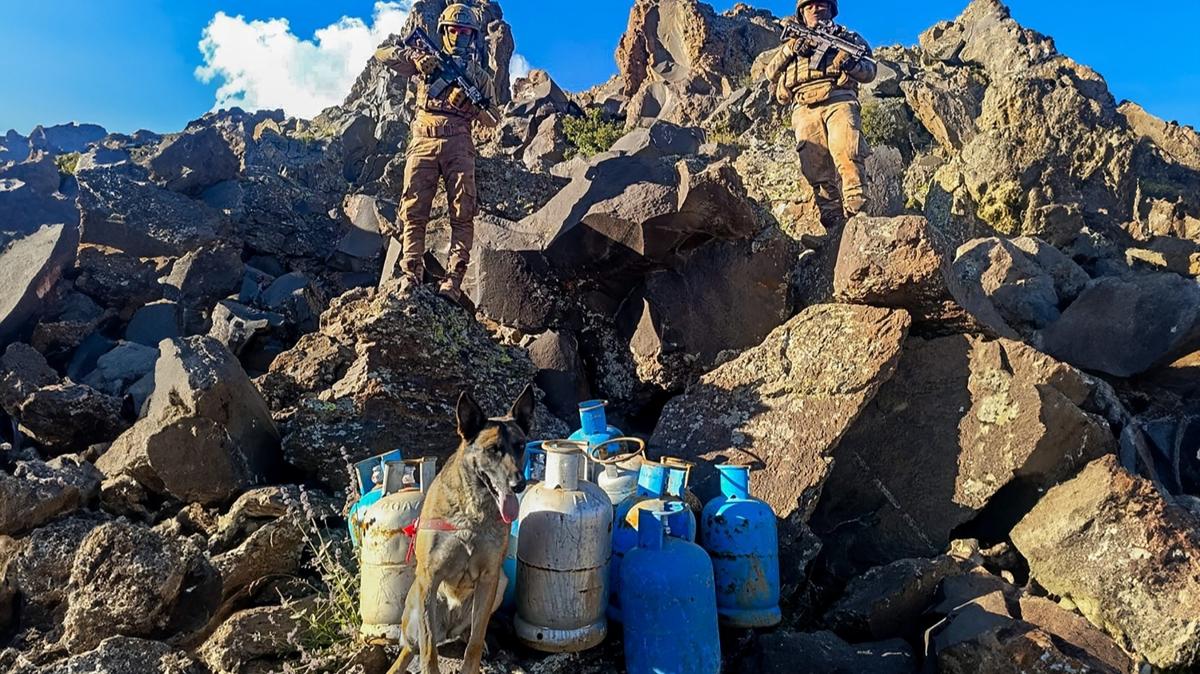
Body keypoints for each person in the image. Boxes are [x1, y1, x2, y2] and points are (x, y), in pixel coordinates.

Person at [374, 3, 498, 302]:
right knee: (413, 211)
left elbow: (493, 118)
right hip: (423, 140)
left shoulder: (479, 77)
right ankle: (411, 272)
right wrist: (416, 60)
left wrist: (471, 105)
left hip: (459, 143)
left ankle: (453, 281)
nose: (459, 36)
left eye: (466, 31)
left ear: (473, 36)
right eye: (454, 30)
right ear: (443, 31)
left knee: (462, 212)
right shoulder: (426, 61)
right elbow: (382, 54)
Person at [765, 0, 877, 223]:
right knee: (815, 170)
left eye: (821, 5)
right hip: (804, 107)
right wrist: (790, 48)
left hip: (839, 99)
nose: (816, 9)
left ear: (831, 9)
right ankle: (833, 227)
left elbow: (871, 70)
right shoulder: (792, 41)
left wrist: (850, 65)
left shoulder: (848, 38)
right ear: (801, 12)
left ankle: (858, 218)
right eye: (809, 6)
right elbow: (770, 72)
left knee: (848, 153)